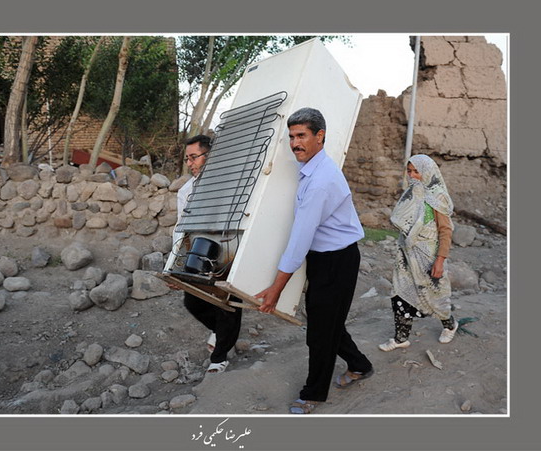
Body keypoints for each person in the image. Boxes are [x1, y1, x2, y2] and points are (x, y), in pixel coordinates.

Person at [255, 108, 373, 414]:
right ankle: (359, 365)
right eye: (291, 137)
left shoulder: (321, 180)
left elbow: (299, 241)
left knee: (320, 332)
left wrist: (276, 289)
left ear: (320, 136)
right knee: (326, 322)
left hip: (337, 261)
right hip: (323, 260)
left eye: (301, 136)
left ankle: (314, 394)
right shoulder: (309, 169)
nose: (295, 143)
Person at [173, 134, 242, 374]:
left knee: (228, 304)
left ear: (209, 156)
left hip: (231, 252)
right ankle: (221, 333)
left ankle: (219, 357)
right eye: (187, 159)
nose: (189, 163)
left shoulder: (233, 183)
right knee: (192, 301)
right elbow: (181, 230)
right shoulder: (186, 192)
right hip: (200, 253)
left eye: (194, 157)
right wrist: (176, 267)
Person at [378, 154, 457, 352]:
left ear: (427, 172)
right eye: (409, 171)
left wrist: (440, 260)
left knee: (435, 295)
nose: (412, 175)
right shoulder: (412, 193)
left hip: (428, 255)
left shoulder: (437, 196)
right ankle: (401, 338)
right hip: (406, 255)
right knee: (400, 292)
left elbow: (445, 230)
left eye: (416, 171)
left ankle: (450, 325)